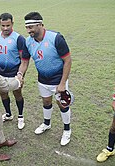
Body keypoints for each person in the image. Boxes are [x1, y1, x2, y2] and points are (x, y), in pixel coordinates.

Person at [18, 12, 73, 145]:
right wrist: (20, 75)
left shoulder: (56, 38)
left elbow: (68, 61)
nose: (28, 30)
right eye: (27, 27)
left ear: (40, 24)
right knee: (46, 102)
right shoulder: (27, 41)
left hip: (58, 80)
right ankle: (46, 124)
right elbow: (24, 62)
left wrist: (62, 83)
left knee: (62, 104)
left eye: (31, 27)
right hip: (42, 80)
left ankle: (67, 130)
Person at [0, 13, 27, 130]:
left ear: (12, 23)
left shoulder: (19, 38)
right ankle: (8, 114)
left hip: (15, 73)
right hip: (1, 72)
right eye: (3, 25)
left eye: (8, 25)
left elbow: (24, 59)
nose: (6, 28)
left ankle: (20, 116)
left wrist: (20, 75)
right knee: (3, 93)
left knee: (17, 94)